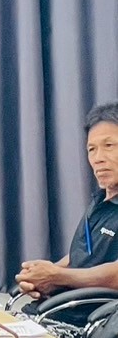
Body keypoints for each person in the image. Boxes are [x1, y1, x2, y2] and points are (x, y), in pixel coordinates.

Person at [16, 101, 118, 298]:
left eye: (109, 145)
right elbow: (81, 256)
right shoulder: (99, 202)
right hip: (64, 305)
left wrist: (57, 276)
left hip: (95, 314)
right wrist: (41, 277)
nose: (98, 158)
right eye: (91, 149)